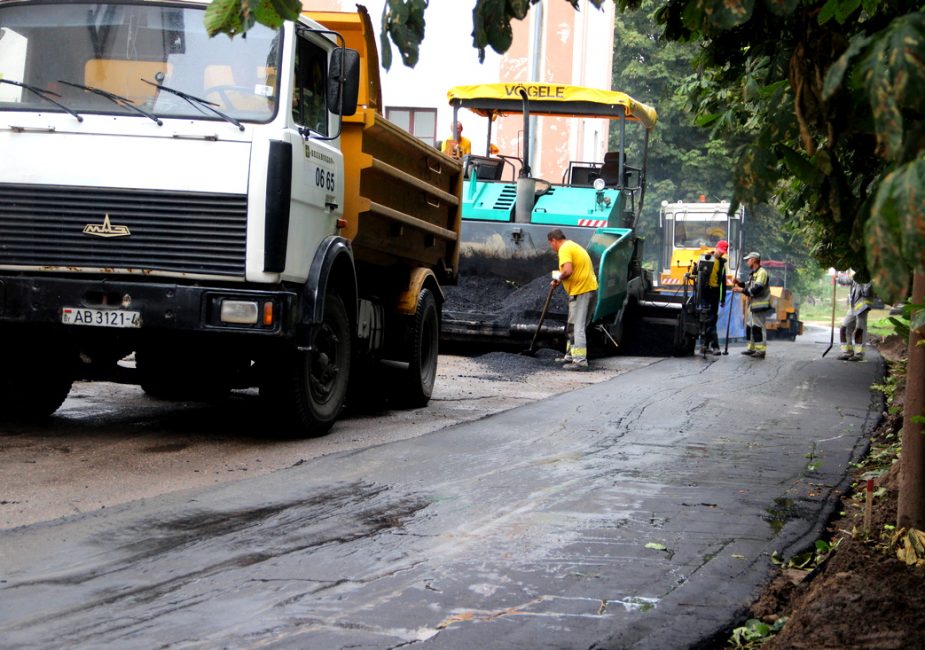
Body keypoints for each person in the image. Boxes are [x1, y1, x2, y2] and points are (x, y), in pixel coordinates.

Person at [548, 229, 598, 371]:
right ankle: (570, 356)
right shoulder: (572, 246)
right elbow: (570, 272)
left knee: (578, 326)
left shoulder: (564, 248)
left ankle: (580, 361)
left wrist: (557, 278)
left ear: (554, 240)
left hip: (582, 291)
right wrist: (561, 278)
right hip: (584, 290)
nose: (552, 248)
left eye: (551, 244)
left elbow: (568, 270)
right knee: (572, 326)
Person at [731, 251, 771, 359]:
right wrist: (739, 283)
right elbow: (748, 285)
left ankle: (761, 351)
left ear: (753, 260)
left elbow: (756, 289)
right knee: (750, 327)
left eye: (748, 260)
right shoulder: (754, 273)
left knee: (758, 327)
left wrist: (741, 290)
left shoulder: (762, 272)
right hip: (752, 305)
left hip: (759, 305)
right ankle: (752, 348)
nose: (747, 262)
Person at [699, 239, 728, 356]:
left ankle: (706, 345)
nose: (721, 253)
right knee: (709, 319)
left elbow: (723, 284)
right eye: (720, 251)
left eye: (723, 252)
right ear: (716, 248)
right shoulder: (706, 258)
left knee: (712, 319)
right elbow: (698, 273)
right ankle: (713, 346)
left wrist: (722, 299)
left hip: (715, 293)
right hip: (705, 292)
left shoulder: (722, 264)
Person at [839, 277, 875, 361]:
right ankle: (847, 352)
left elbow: (869, 287)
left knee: (860, 329)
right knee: (844, 327)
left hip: (863, 303)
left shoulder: (868, 272)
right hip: (853, 304)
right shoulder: (857, 273)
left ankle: (859, 354)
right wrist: (841, 279)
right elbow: (850, 281)